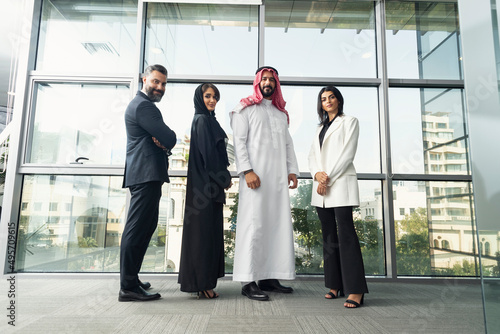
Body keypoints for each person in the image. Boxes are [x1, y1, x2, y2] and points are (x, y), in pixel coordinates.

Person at [230, 66, 299, 301]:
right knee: (254, 226)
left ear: (276, 84)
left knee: (276, 226)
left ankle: (269, 277)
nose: (268, 82)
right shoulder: (245, 108)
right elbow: (238, 142)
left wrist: (292, 170)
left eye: (272, 79)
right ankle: (248, 280)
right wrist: (247, 170)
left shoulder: (281, 114)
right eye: (264, 79)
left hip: (277, 180)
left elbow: (288, 145)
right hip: (255, 180)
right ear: (257, 82)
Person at [119, 64, 177, 302]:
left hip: (146, 173)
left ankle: (132, 279)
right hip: (145, 173)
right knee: (136, 230)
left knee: (146, 227)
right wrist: (164, 141)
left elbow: (163, 140)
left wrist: (162, 142)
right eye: (155, 82)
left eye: (163, 84)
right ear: (144, 79)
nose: (160, 87)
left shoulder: (144, 106)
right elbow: (170, 137)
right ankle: (128, 288)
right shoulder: (143, 106)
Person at [308, 86, 368, 308]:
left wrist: (327, 179)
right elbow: (312, 155)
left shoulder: (350, 121)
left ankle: (356, 290)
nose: (328, 101)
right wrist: (316, 174)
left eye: (331, 97)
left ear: (339, 100)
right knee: (329, 237)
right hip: (321, 189)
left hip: (339, 184)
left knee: (346, 235)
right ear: (321, 104)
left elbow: (347, 154)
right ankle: (335, 284)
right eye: (323, 99)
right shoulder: (320, 128)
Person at [178, 83, 232, 299]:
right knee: (202, 236)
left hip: (208, 186)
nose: (212, 100)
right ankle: (202, 284)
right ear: (200, 98)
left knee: (207, 234)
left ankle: (204, 282)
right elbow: (209, 156)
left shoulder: (208, 120)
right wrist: (224, 178)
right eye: (208, 96)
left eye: (215, 97)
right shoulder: (201, 120)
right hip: (205, 188)